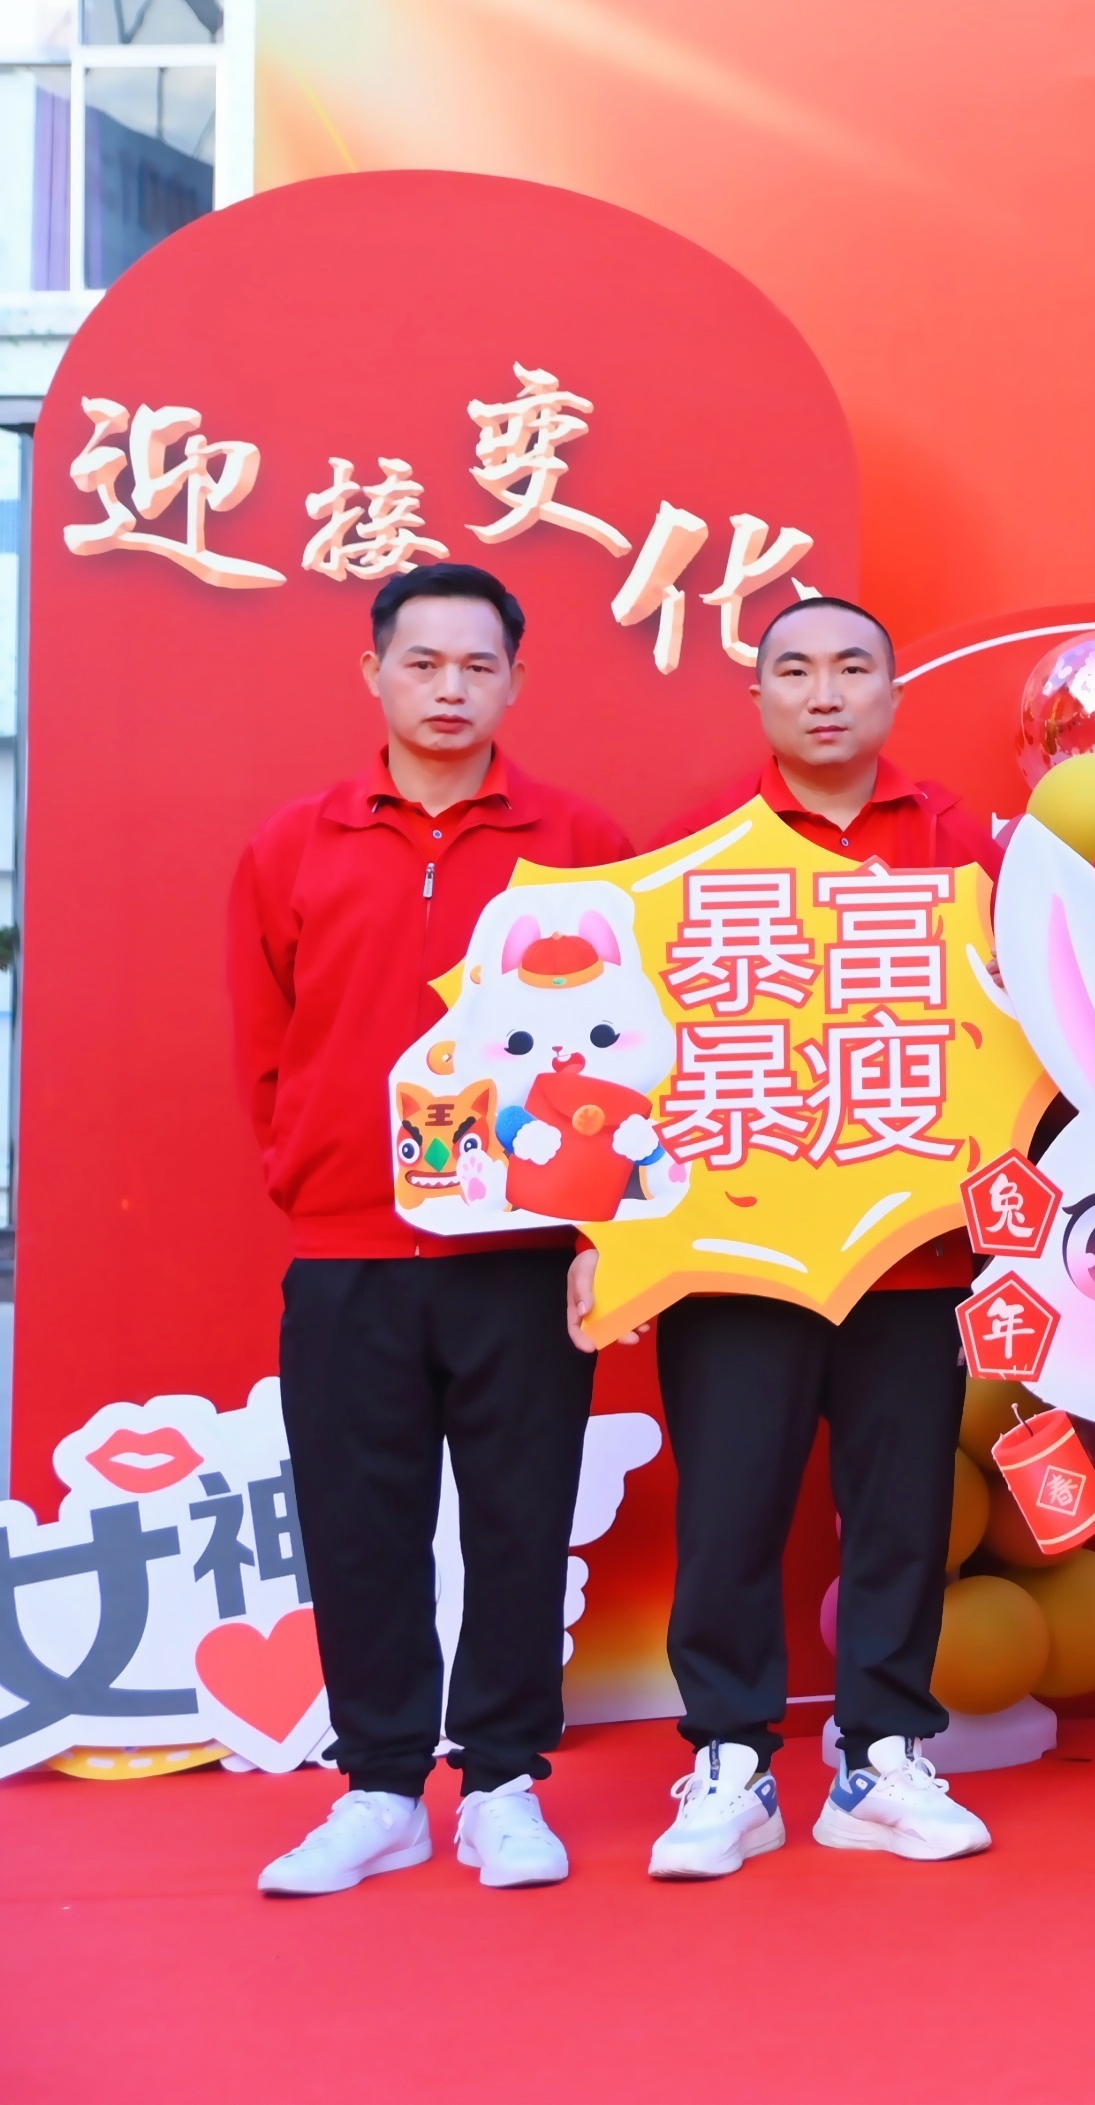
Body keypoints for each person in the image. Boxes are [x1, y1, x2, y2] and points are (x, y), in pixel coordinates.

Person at [235, 566, 634, 1896]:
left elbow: (633, 1047)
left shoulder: (578, 842)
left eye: (478, 665)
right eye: (424, 663)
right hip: (348, 1253)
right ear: (375, 674)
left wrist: (601, 1233)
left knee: (520, 1521)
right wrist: (312, 1174)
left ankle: (505, 1782)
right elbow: (265, 1045)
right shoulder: (295, 844)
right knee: (361, 1526)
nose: (450, 688)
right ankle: (382, 1788)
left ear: (516, 680)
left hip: (522, 1254)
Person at [624, 596, 997, 1879]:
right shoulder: (689, 850)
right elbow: (628, 1054)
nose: (823, 693)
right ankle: (730, 1759)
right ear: (759, 698)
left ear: (892, 693)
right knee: (730, 1511)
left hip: (910, 1252)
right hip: (737, 1257)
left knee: (900, 1513)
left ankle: (881, 1755)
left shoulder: (959, 845)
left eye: (850, 669)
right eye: (794, 670)